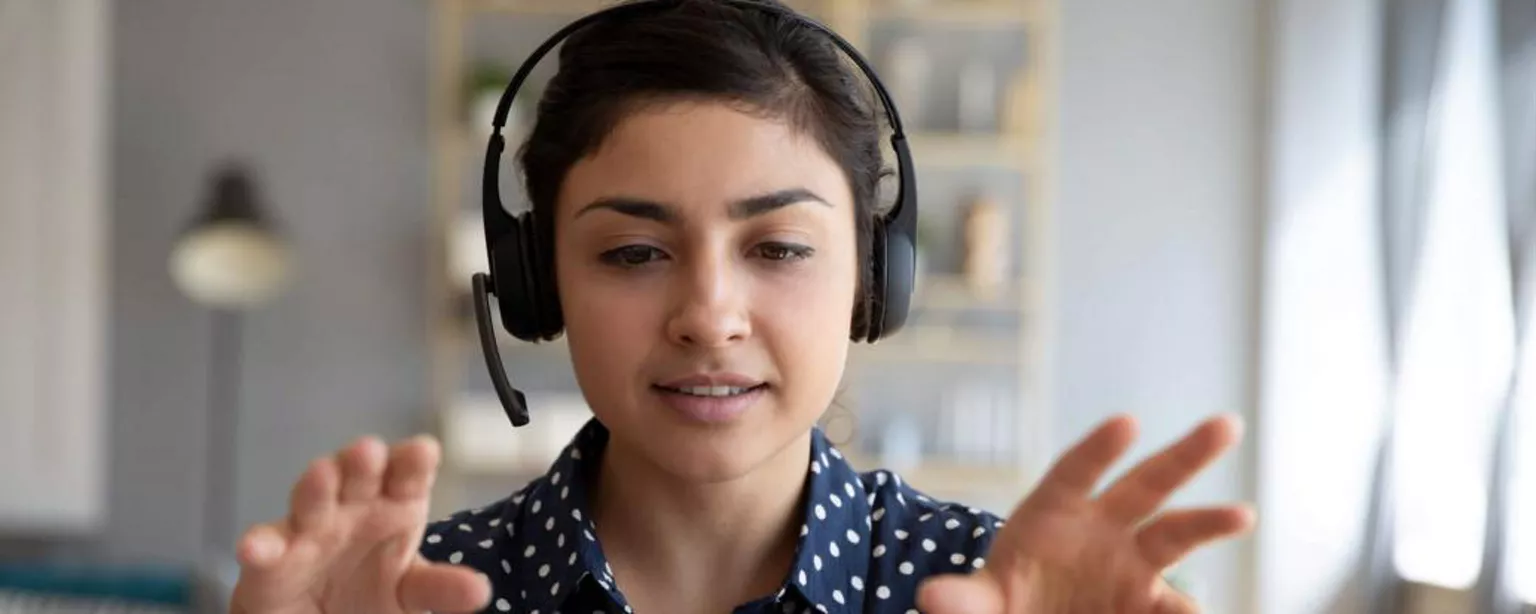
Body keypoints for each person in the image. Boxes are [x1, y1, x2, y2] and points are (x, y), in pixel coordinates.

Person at [226, 1, 1255, 612]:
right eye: (633, 250)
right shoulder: (429, 591)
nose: (709, 313)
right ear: (540, 284)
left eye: (778, 247)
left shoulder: (987, 588)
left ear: (873, 278)